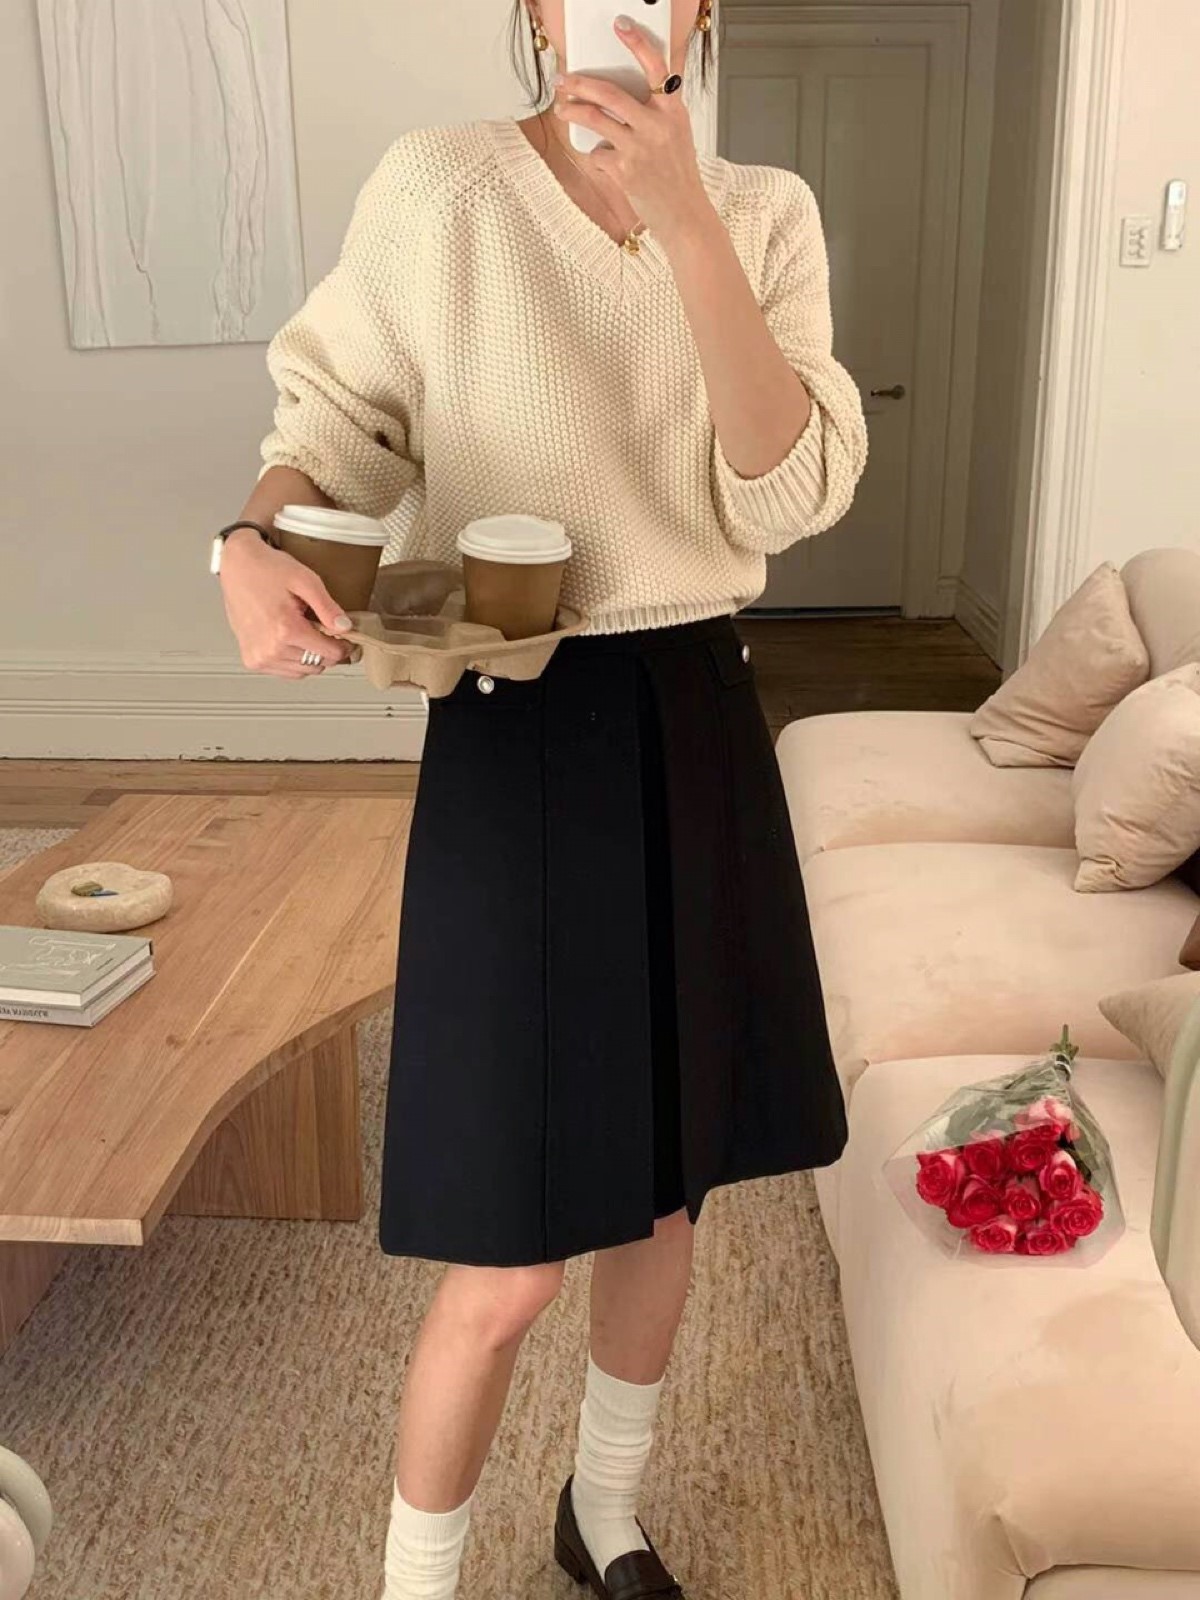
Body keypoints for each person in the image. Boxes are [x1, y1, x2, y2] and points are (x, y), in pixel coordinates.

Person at [216, 3, 868, 1596]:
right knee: (506, 1253)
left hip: (695, 712)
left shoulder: (766, 212)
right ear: (532, 10)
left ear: (700, 14)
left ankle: (606, 1512)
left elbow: (787, 491)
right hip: (514, 714)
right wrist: (250, 541)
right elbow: (338, 429)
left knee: (664, 1201)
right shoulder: (439, 187)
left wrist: (688, 220)